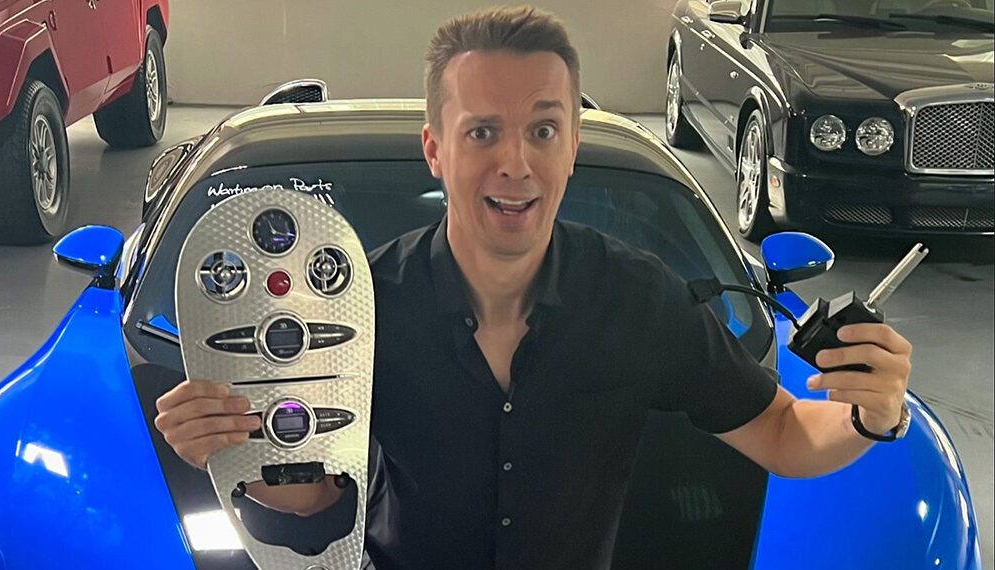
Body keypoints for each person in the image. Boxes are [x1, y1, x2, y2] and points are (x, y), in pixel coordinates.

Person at [153, 5, 914, 568]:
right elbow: (316, 522)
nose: (515, 162)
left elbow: (781, 430)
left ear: (572, 146)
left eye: (543, 130)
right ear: (436, 150)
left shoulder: (638, 300)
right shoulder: (360, 309)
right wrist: (243, 456)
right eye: (482, 131)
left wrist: (868, 418)